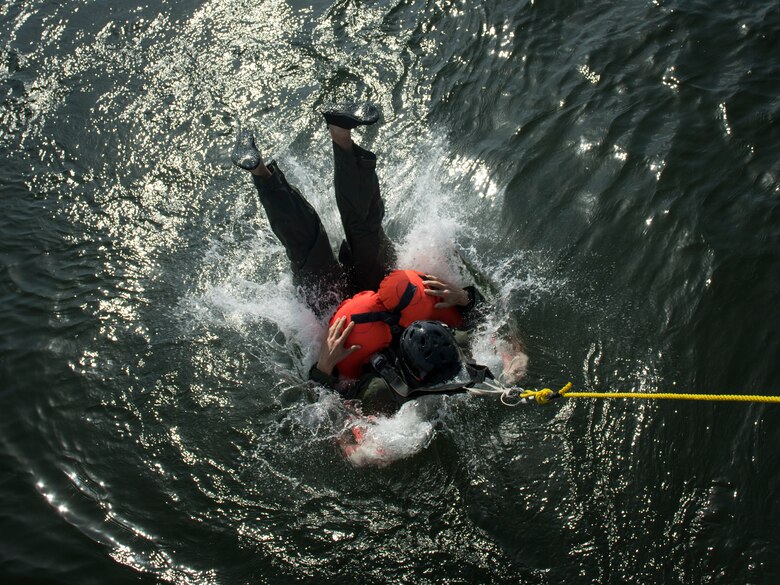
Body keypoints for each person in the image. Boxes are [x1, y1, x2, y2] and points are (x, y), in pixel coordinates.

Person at [232, 102, 527, 413]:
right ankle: (340, 133)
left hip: (339, 319)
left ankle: (260, 171)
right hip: (385, 291)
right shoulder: (458, 343)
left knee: (308, 250)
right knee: (366, 230)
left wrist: (324, 367)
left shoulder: (380, 394)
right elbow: (498, 329)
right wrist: (466, 299)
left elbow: (333, 414)